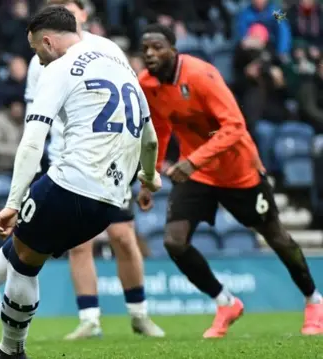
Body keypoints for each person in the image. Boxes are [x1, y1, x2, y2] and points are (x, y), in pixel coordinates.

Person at [0, 7, 162, 358]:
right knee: (21, 252)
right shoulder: (116, 58)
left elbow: (31, 141)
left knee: (23, 262)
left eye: (35, 50)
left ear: (47, 41)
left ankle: (11, 350)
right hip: (112, 198)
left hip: (71, 181)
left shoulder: (57, 68)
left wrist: (13, 202)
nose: (37, 60)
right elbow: (149, 138)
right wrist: (148, 176)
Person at [138, 23, 323, 338]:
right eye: (145, 49)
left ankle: (313, 299)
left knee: (276, 236)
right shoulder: (148, 84)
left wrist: (193, 159)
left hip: (239, 172)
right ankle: (226, 302)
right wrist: (150, 176)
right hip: (198, 174)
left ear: (173, 48)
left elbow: (235, 126)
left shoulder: (201, 75)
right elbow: (158, 129)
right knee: (174, 241)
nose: (150, 54)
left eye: (157, 47)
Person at [23, 0, 163, 339]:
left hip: (109, 159)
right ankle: (89, 318)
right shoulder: (38, 60)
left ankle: (139, 313)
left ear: (84, 13)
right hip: (64, 157)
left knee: (122, 236)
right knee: (78, 244)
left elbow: (134, 106)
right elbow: (35, 111)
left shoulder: (105, 47)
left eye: (71, 6)